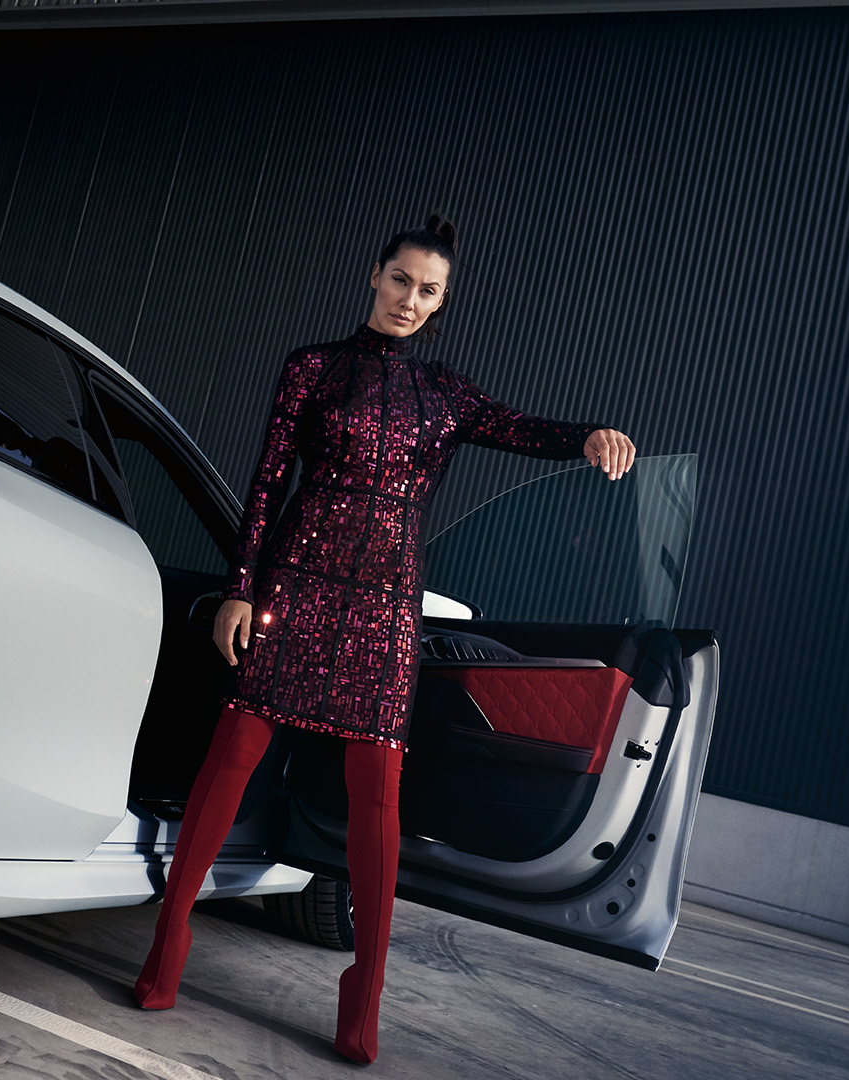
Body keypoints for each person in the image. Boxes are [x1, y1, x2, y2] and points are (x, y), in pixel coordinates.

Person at [130, 214, 637, 1065]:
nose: (410, 299)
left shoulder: (448, 394)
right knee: (231, 759)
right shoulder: (314, 368)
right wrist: (242, 589)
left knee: (379, 797)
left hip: (386, 606)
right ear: (374, 276)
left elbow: (526, 431)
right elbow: (265, 483)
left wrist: (590, 435)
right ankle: (167, 945)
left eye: (428, 289)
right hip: (298, 583)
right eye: (400, 280)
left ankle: (362, 996)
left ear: (443, 302)